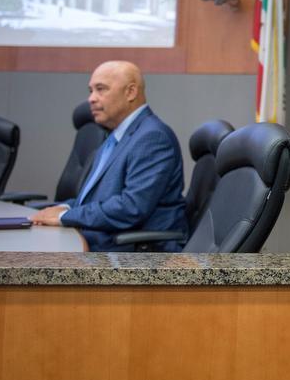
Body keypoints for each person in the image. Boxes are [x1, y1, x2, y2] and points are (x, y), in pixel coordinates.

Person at [31, 60, 187, 252]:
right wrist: (63, 209)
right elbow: (93, 202)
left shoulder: (152, 137)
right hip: (103, 243)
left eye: (101, 89)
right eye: (91, 91)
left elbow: (131, 208)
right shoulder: (113, 137)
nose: (91, 99)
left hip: (134, 254)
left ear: (130, 92)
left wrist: (64, 218)